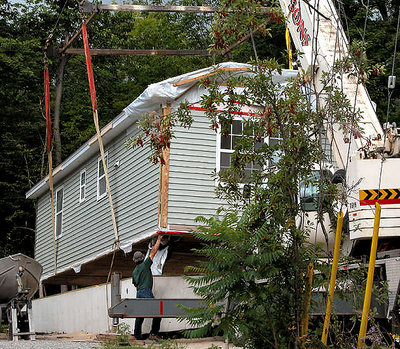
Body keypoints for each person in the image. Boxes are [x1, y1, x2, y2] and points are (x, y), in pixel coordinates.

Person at [132, 234, 163, 340]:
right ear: (142, 258)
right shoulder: (145, 265)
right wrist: (159, 239)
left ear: (135, 260)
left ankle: (137, 336)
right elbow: (153, 252)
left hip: (139, 293)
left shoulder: (134, 271)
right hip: (146, 292)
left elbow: (135, 283)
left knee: (140, 315)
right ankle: (153, 333)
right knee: (157, 312)